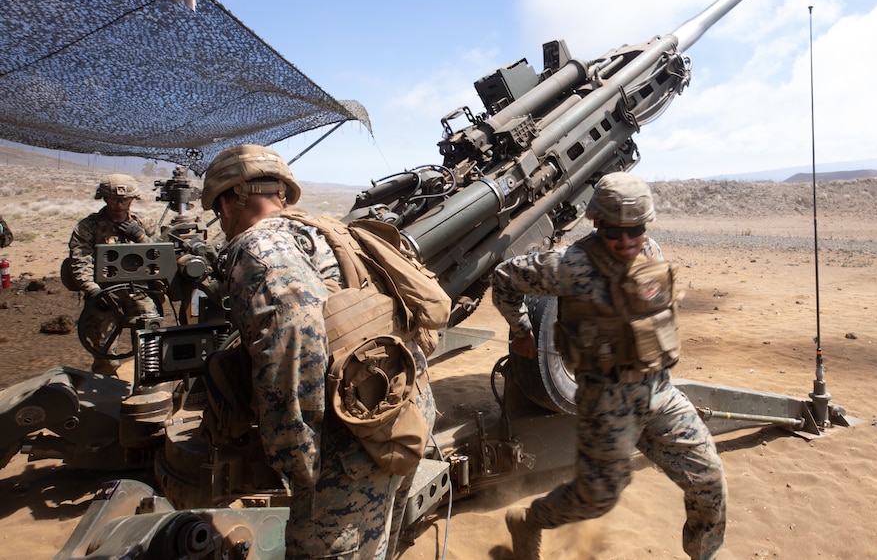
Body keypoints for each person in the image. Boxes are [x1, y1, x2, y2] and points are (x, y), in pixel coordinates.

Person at [202, 144, 436, 560]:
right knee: (377, 543)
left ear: (229, 200)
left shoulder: (257, 248)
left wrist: (297, 460)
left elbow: (294, 346)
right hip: (401, 416)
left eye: (218, 210)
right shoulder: (326, 230)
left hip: (348, 448)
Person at [492, 172, 728, 560]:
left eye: (634, 229)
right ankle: (529, 521)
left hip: (659, 392)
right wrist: (520, 329)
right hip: (606, 399)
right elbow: (505, 276)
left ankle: (704, 554)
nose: (625, 241)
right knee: (596, 498)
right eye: (614, 231)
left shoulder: (652, 251)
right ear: (598, 222)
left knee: (709, 479)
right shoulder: (571, 265)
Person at [68, 173, 159, 376]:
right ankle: (106, 389)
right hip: (103, 296)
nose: (119, 204)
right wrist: (92, 290)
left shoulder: (144, 224)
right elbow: (81, 260)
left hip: (140, 292)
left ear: (133, 199)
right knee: (103, 352)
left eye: (124, 199)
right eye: (113, 199)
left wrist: (141, 238)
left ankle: (147, 387)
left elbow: (162, 255)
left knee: (150, 347)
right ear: (104, 197)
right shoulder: (87, 227)